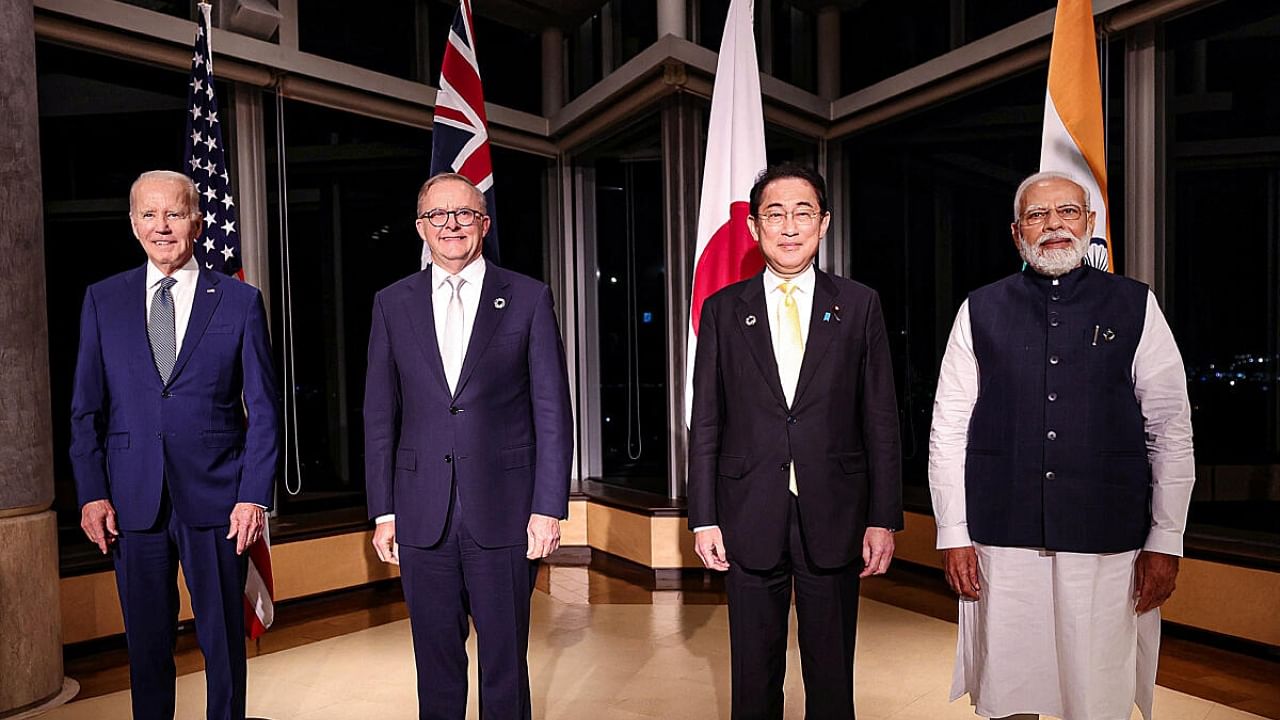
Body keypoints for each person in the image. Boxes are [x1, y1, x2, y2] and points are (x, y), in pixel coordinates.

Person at [928, 171, 1195, 720]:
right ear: (1016, 231)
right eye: (1037, 215)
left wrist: (1166, 539)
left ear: (1089, 223)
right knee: (1009, 687)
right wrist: (952, 533)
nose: (1053, 226)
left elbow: (1170, 428)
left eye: (1067, 212)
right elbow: (948, 428)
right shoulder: (979, 309)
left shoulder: (1135, 305)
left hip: (1106, 535)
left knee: (1094, 693)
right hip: (1001, 535)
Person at [687, 164, 903, 719]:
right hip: (746, 513)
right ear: (755, 228)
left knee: (831, 678)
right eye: (774, 214)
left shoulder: (859, 305)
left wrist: (883, 517)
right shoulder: (723, 310)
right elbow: (706, 419)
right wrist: (703, 516)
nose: (789, 226)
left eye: (802, 213)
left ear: (824, 223)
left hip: (835, 511)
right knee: (753, 679)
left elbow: (880, 417)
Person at [70, 170, 280, 720]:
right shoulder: (103, 300)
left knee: (223, 644)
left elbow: (263, 411)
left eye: (175, 213)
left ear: (197, 220)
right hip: (131, 503)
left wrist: (253, 495)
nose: (162, 226)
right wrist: (92, 492)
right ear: (134, 224)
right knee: (146, 646)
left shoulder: (238, 300)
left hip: (218, 502)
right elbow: (85, 410)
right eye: (149, 214)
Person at [363, 172, 573, 719]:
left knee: (505, 661)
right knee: (434, 660)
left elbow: (552, 409)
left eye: (463, 214)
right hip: (419, 511)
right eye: (438, 215)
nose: (450, 224)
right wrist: (383, 510)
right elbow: (380, 413)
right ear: (420, 227)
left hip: (505, 511)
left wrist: (548, 507)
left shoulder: (527, 297)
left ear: (484, 222)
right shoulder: (392, 303)